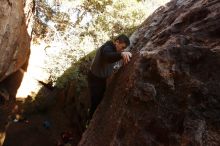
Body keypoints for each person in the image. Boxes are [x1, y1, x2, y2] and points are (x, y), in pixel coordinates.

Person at [87, 34, 132, 119]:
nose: (122, 50)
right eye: (122, 47)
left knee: (102, 96)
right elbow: (108, 57)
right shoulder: (107, 47)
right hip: (95, 79)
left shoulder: (114, 51)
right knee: (96, 100)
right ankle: (90, 119)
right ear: (117, 42)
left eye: (124, 49)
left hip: (102, 78)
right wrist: (121, 54)